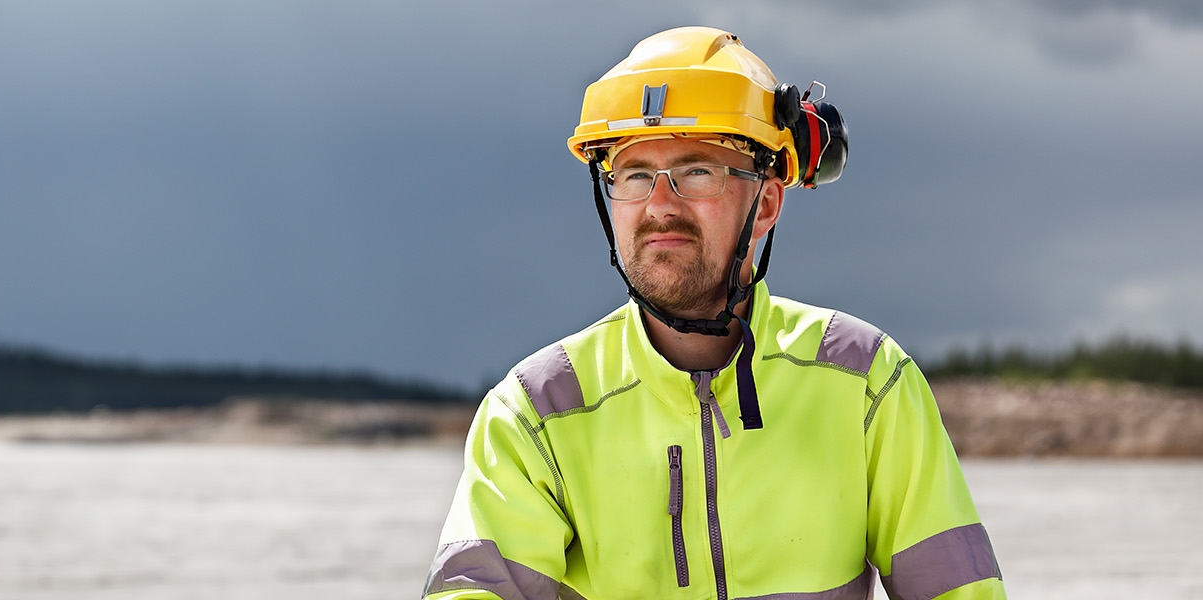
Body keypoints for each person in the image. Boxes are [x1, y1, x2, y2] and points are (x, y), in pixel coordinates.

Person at [421, 27, 1004, 600]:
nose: (659, 205)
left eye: (697, 171)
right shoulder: (536, 410)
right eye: (635, 175)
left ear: (768, 201)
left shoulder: (866, 381)